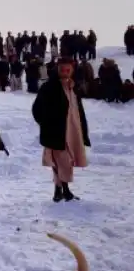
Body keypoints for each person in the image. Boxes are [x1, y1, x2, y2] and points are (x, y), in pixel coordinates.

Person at [32, 56, 90, 202]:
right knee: (62, 160)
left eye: (68, 69)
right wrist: (46, 125)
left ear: (72, 70)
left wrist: (82, 129)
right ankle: (65, 190)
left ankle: (58, 190)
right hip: (57, 131)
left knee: (65, 160)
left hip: (73, 129)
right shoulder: (49, 87)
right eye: (62, 69)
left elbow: (78, 110)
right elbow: (36, 109)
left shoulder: (73, 87)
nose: (65, 72)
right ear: (58, 70)